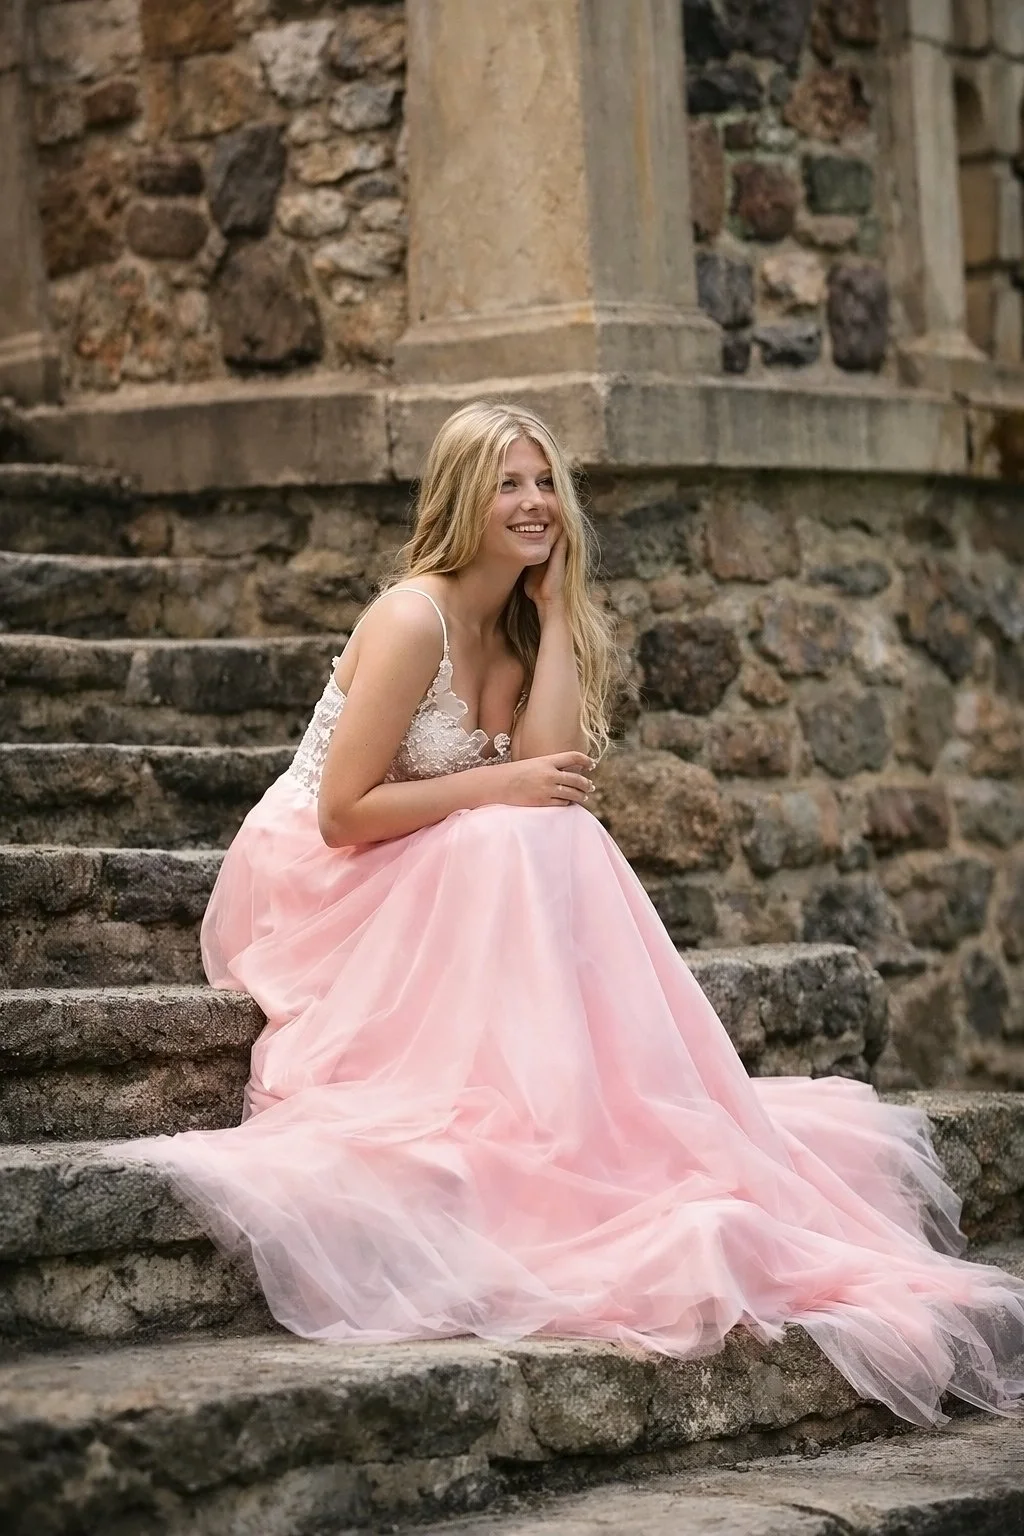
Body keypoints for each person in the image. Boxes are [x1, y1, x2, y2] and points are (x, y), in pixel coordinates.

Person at [124, 401, 1024, 1429]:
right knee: (508, 828)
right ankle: (554, 1098)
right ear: (464, 498)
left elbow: (548, 777)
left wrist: (552, 618)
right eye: (510, 483)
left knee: (542, 831)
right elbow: (341, 812)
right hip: (322, 878)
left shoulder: (516, 628)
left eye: (545, 481)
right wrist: (495, 791)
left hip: (426, 849)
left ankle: (580, 1100)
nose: (535, 502)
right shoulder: (410, 617)